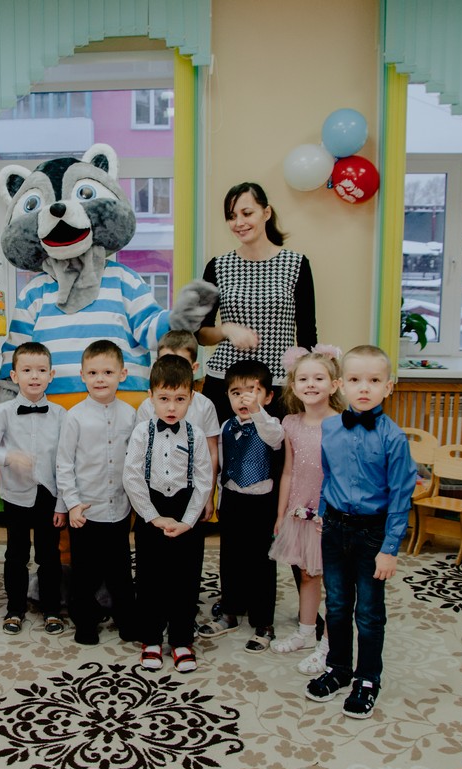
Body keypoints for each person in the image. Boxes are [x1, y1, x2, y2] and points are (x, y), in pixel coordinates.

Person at [305, 345, 417, 720]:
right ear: (341, 384)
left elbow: (401, 496)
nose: (364, 388)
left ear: (389, 386)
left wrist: (390, 548)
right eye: (355, 380)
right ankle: (338, 668)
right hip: (335, 529)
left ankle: (367, 678)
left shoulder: (394, 438)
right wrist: (324, 512)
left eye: (374, 380)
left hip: (373, 533)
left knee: (368, 612)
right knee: (337, 605)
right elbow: (328, 475)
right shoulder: (330, 428)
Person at [196, 182, 317, 422]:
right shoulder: (217, 267)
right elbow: (200, 333)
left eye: (247, 213)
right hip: (226, 383)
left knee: (278, 446)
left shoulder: (296, 264)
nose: (239, 222)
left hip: (278, 385)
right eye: (232, 216)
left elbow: (307, 334)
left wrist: (309, 381)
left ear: (266, 212)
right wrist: (227, 329)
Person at [124, 355, 213, 673]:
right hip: (152, 512)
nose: (171, 407)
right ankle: (150, 638)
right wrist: (152, 516)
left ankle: (181, 640)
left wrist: (188, 521)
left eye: (180, 399)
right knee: (150, 578)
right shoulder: (141, 432)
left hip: (186, 511)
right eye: (164, 399)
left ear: (191, 397)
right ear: (151, 397)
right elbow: (132, 476)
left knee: (185, 579)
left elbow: (203, 480)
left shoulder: (196, 435)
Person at [0, 341, 67, 635]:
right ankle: (15, 609)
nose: (34, 376)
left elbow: (66, 462)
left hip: (49, 495)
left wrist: (63, 503)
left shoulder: (61, 415)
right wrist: (8, 457)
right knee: (16, 554)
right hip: (15, 494)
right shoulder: (2, 412)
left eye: (41, 370)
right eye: (27, 370)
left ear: (51, 375)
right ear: (14, 376)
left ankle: (51, 609)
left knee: (49, 555)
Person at [197, 359, 284, 652]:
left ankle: (263, 621)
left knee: (262, 562)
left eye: (253, 392)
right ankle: (230, 611)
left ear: (268, 397)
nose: (244, 399)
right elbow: (221, 465)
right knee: (231, 558)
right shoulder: (225, 426)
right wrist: (215, 499)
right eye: (236, 393)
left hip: (261, 503)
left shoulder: (272, 425)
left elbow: (274, 437)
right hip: (232, 500)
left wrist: (257, 412)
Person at [268, 345, 345, 676]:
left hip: (329, 515)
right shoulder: (290, 422)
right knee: (306, 574)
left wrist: (334, 512)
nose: (310, 384)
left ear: (334, 384)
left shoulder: (342, 423)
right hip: (299, 509)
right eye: (303, 379)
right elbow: (288, 471)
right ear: (293, 385)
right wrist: (281, 513)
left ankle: (329, 645)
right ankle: (305, 630)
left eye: (318, 378)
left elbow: (344, 475)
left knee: (334, 581)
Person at [56, 340, 138, 646]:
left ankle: (127, 620)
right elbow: (64, 464)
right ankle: (85, 622)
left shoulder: (130, 415)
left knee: (120, 571)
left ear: (122, 374)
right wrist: (72, 504)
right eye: (93, 373)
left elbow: (135, 461)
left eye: (107, 372)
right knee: (85, 573)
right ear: (82, 375)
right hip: (86, 511)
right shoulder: (75, 416)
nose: (100, 379)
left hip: (119, 508)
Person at [136, 330, 221, 521]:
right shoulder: (147, 406)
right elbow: (138, 457)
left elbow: (212, 453)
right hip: (153, 492)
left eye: (181, 363)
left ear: (194, 367)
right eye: (166, 361)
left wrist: (208, 497)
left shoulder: (205, 406)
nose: (172, 370)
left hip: (192, 493)